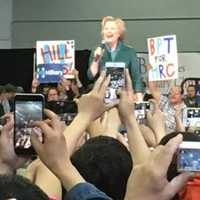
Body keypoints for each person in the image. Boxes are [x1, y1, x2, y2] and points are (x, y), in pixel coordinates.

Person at [87, 16, 143, 100]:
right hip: (101, 97)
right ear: (103, 33)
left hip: (124, 97)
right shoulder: (97, 50)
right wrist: (96, 60)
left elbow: (136, 78)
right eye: (106, 29)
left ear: (119, 33)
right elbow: (90, 76)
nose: (108, 31)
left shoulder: (129, 51)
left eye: (112, 28)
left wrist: (139, 99)